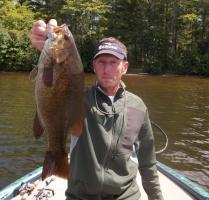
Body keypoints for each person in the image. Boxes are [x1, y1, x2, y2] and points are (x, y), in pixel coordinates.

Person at [30, 19, 163, 200]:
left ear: (124, 67)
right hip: (81, 196)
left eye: (113, 62)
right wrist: (43, 46)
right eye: (101, 62)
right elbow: (55, 90)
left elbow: (147, 163)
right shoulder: (79, 99)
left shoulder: (138, 106)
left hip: (126, 196)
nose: (107, 69)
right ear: (93, 66)